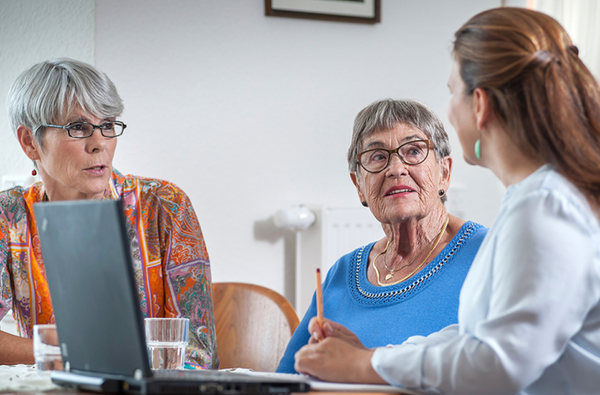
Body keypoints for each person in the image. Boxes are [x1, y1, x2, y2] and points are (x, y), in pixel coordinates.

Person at [294, 7, 600, 394]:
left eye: (452, 91)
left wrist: (366, 362)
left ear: (479, 104)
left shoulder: (544, 207)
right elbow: (474, 336)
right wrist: (374, 355)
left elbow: (497, 363)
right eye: (378, 157)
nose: (396, 169)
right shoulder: (533, 201)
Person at [0, 58, 218, 369]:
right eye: (78, 127)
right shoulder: (9, 217)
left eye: (107, 125)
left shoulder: (165, 205)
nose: (100, 143)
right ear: (29, 142)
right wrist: (76, 356)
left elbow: (199, 353)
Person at [277, 99, 487, 373]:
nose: (396, 169)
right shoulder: (341, 274)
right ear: (359, 186)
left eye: (413, 151)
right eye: (378, 156)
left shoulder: (489, 254)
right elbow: (286, 378)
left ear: (444, 173)